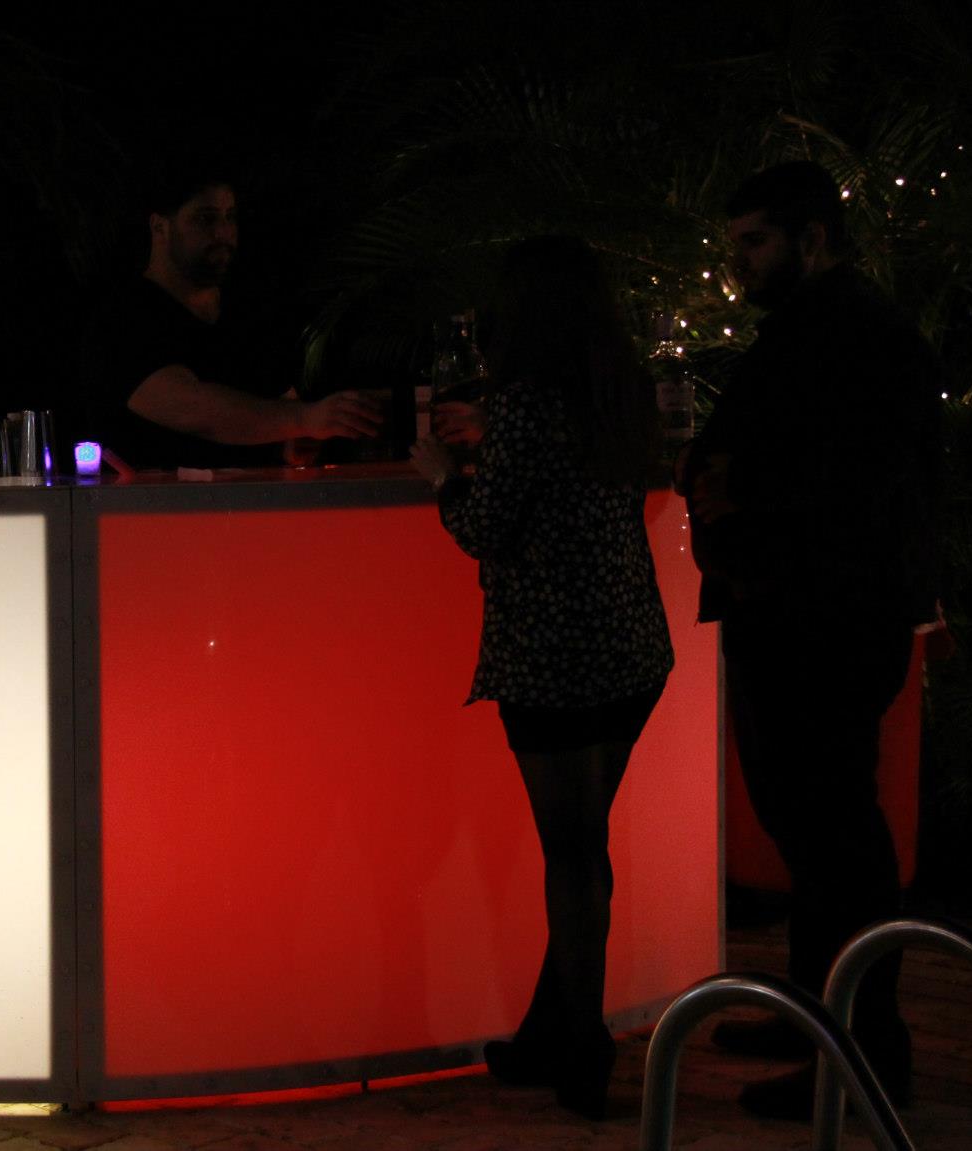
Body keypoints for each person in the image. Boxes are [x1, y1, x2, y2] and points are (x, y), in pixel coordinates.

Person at [679, 159, 945, 1120]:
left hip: (821, 619)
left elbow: (858, 482)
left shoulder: (854, 336)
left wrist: (738, 493)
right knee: (815, 830)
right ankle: (817, 1017)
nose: (740, 263)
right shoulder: (827, 330)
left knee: (835, 837)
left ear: (813, 235)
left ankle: (866, 1049)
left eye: (754, 242)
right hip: (799, 612)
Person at [413, 235, 674, 1121]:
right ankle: (547, 1032)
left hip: (553, 655)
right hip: (632, 643)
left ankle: (583, 1045)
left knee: (573, 855)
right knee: (583, 846)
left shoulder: (525, 401)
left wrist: (445, 477)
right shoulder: (620, 392)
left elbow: (488, 528)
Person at [83, 172, 381, 470]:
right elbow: (192, 409)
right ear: (160, 226)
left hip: (256, 509)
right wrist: (303, 420)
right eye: (206, 219)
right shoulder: (123, 318)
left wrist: (295, 441)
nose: (223, 233)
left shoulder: (249, 311)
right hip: (152, 511)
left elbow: (281, 400)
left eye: (230, 217)